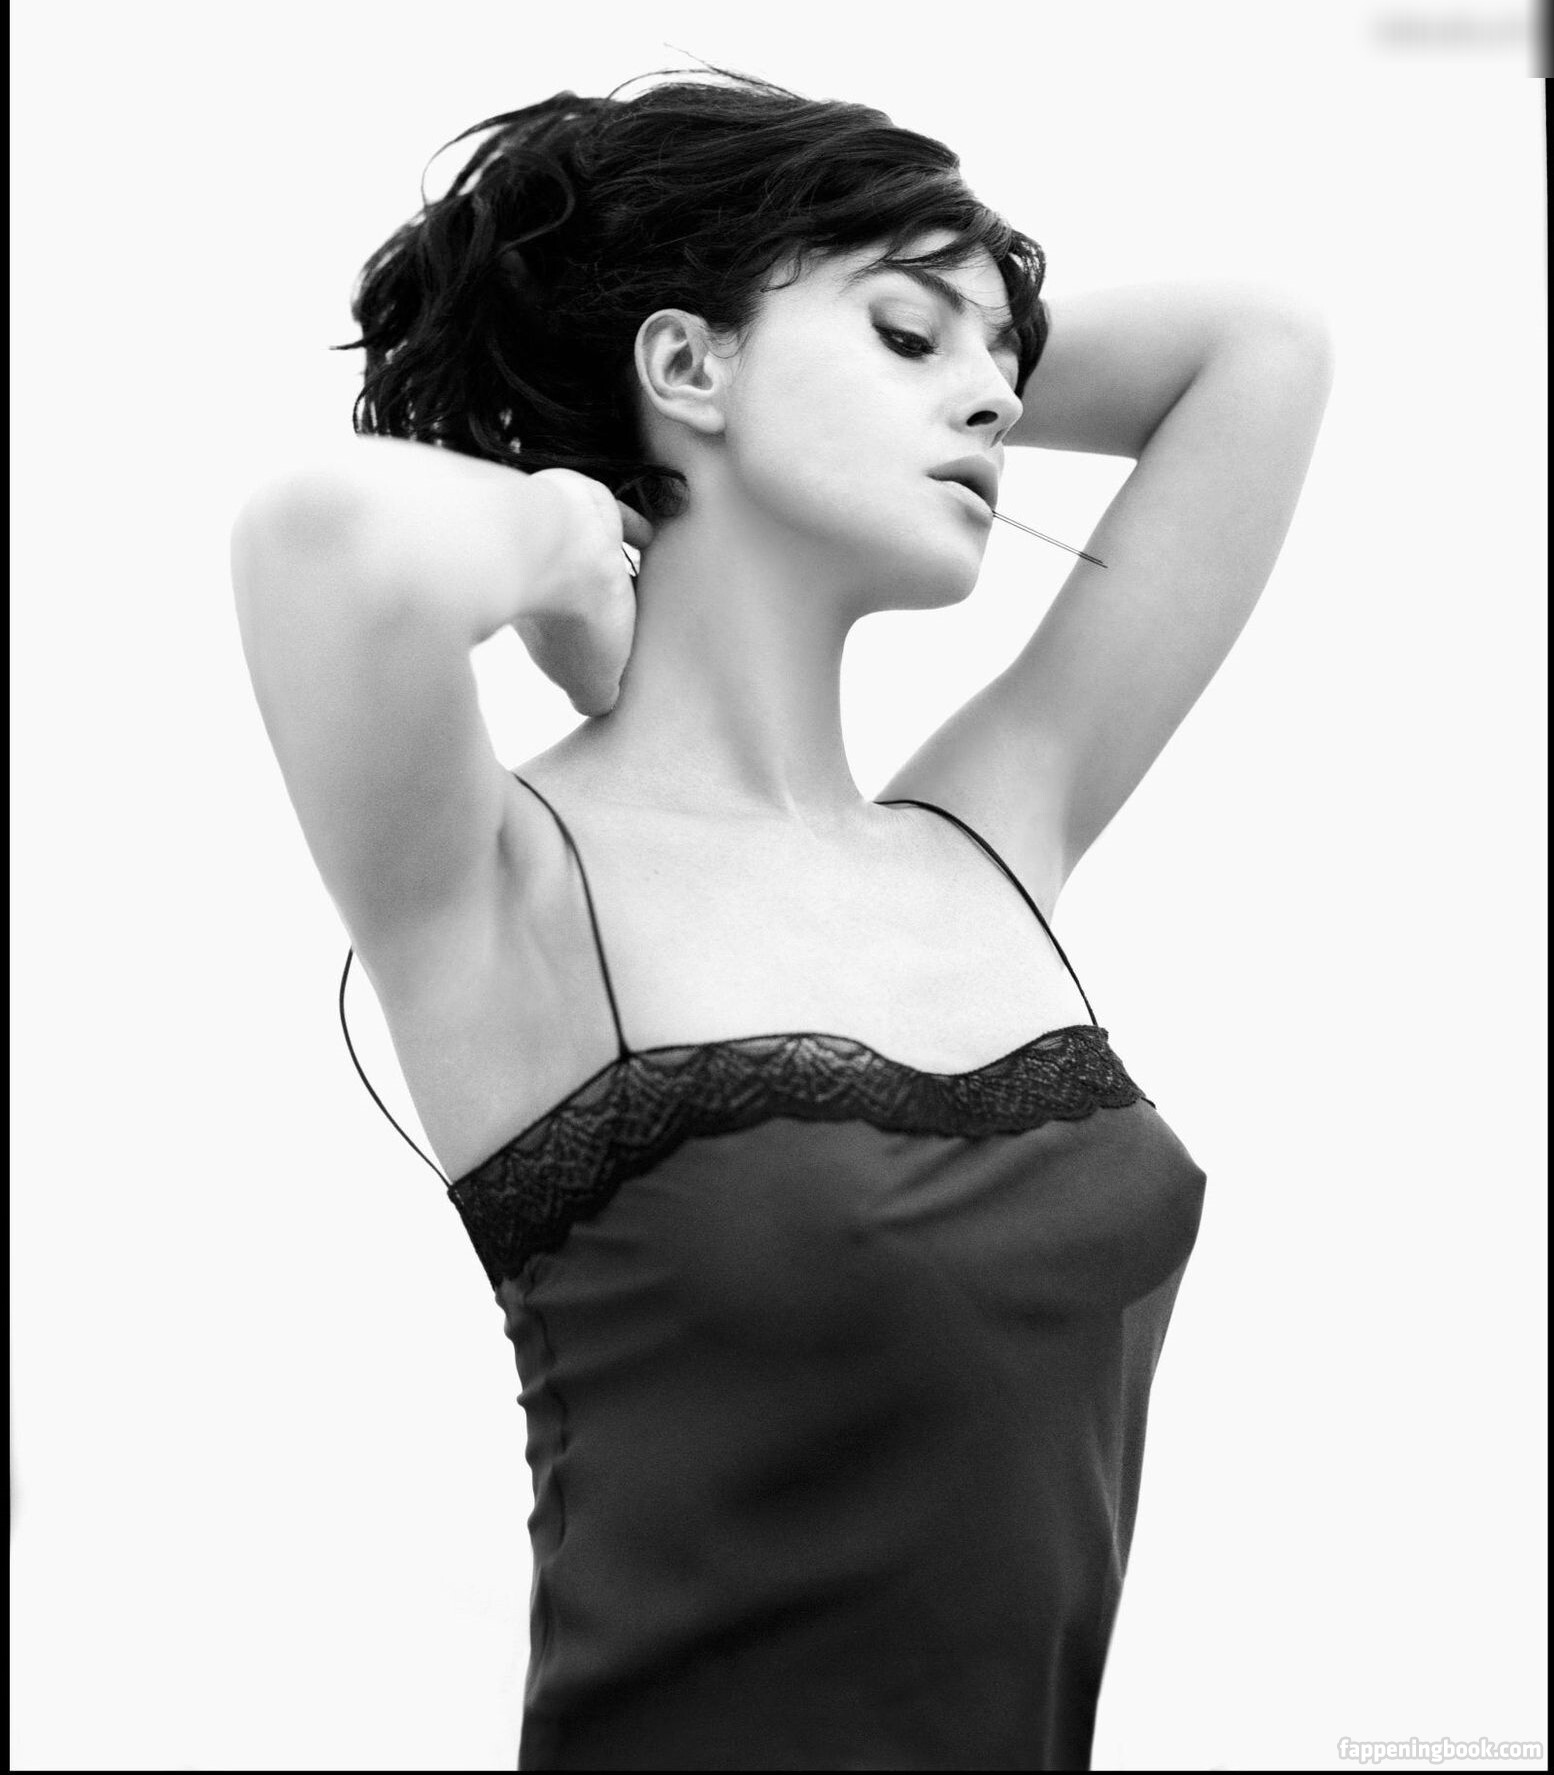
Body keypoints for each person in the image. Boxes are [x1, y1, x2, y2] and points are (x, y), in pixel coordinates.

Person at [231, 63, 1333, 1773]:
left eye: (1003, 358)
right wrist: (569, 529)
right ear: (682, 365)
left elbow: (1258, 352)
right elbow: (322, 538)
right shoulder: (515, 885)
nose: (992, 397)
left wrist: (899, 365)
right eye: (907, 334)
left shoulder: (990, 838)